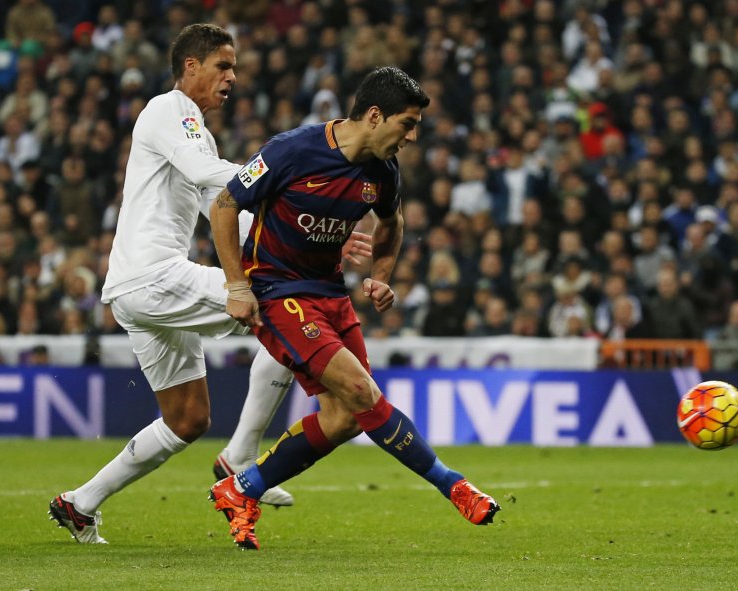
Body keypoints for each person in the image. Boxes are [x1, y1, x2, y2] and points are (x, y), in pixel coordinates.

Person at [47, 23, 373, 544]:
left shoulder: (192, 128)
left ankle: (80, 503)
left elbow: (223, 209)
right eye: (223, 66)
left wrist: (313, 237)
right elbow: (211, 174)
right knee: (287, 308)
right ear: (191, 66)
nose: (233, 77)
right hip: (153, 276)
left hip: (138, 288)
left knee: (188, 419)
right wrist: (289, 185)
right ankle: (241, 456)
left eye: (235, 68)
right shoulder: (167, 108)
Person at [208, 66, 500, 550]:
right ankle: (455, 486)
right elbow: (223, 205)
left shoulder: (382, 171)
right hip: (279, 290)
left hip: (330, 293)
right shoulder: (291, 150)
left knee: (344, 419)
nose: (410, 137)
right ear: (373, 115)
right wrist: (237, 286)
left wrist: (381, 276)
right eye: (406, 124)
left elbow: (393, 222)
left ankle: (241, 489)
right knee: (363, 391)